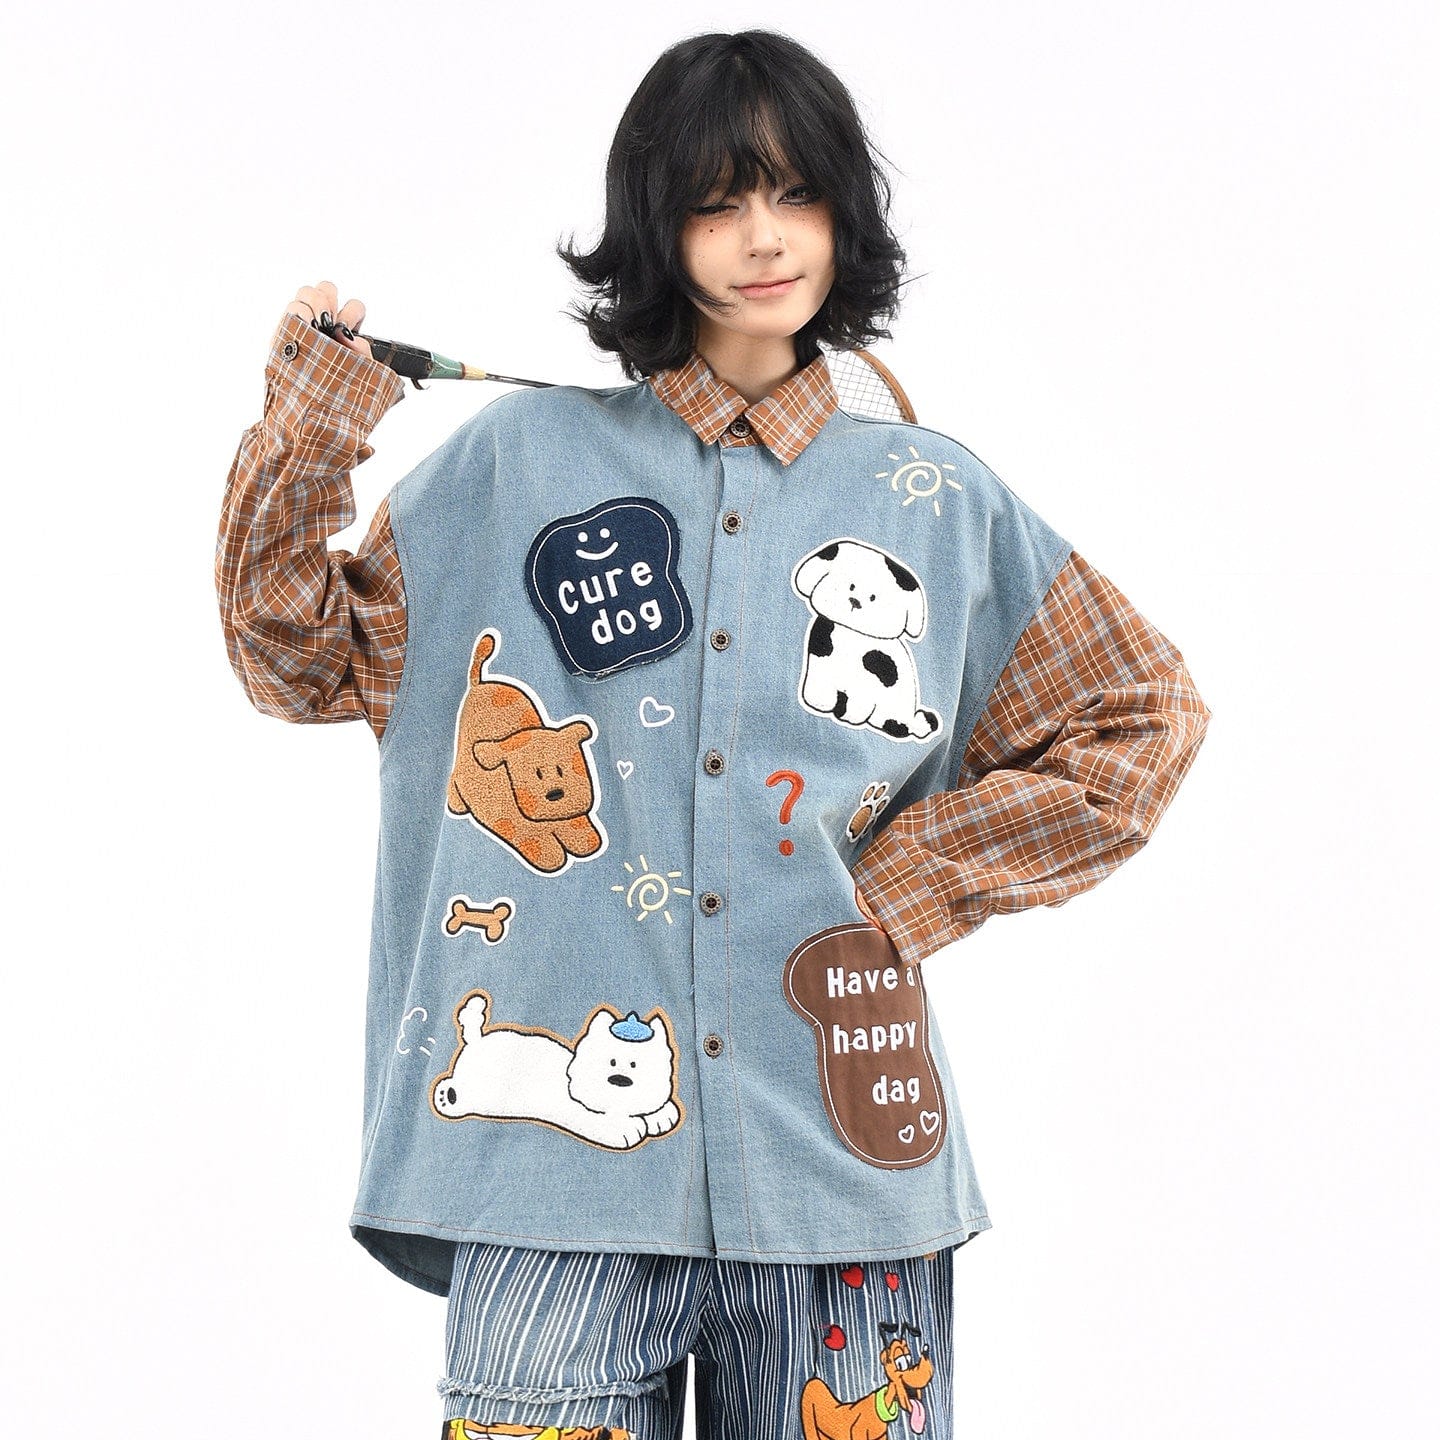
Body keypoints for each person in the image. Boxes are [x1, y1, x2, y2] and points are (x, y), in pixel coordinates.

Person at [216, 28, 1210, 1440]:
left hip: (838, 1167)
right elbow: (294, 656)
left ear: (843, 215)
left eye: (796, 194)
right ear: (655, 224)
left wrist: (909, 885)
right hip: (549, 1174)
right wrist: (312, 425)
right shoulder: (516, 465)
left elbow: (1141, 714)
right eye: (716, 200)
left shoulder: (932, 496)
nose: (762, 237)